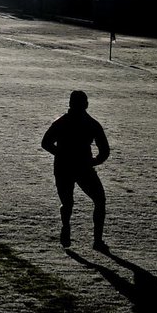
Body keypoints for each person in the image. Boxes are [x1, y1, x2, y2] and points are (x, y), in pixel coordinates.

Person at [40, 89, 110, 250]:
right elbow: (104, 150)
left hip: (63, 167)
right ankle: (97, 240)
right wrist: (94, 162)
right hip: (83, 167)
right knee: (99, 200)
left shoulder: (61, 122)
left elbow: (45, 143)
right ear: (86, 104)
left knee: (67, 202)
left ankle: (66, 227)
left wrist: (61, 155)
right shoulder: (92, 124)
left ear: (70, 104)